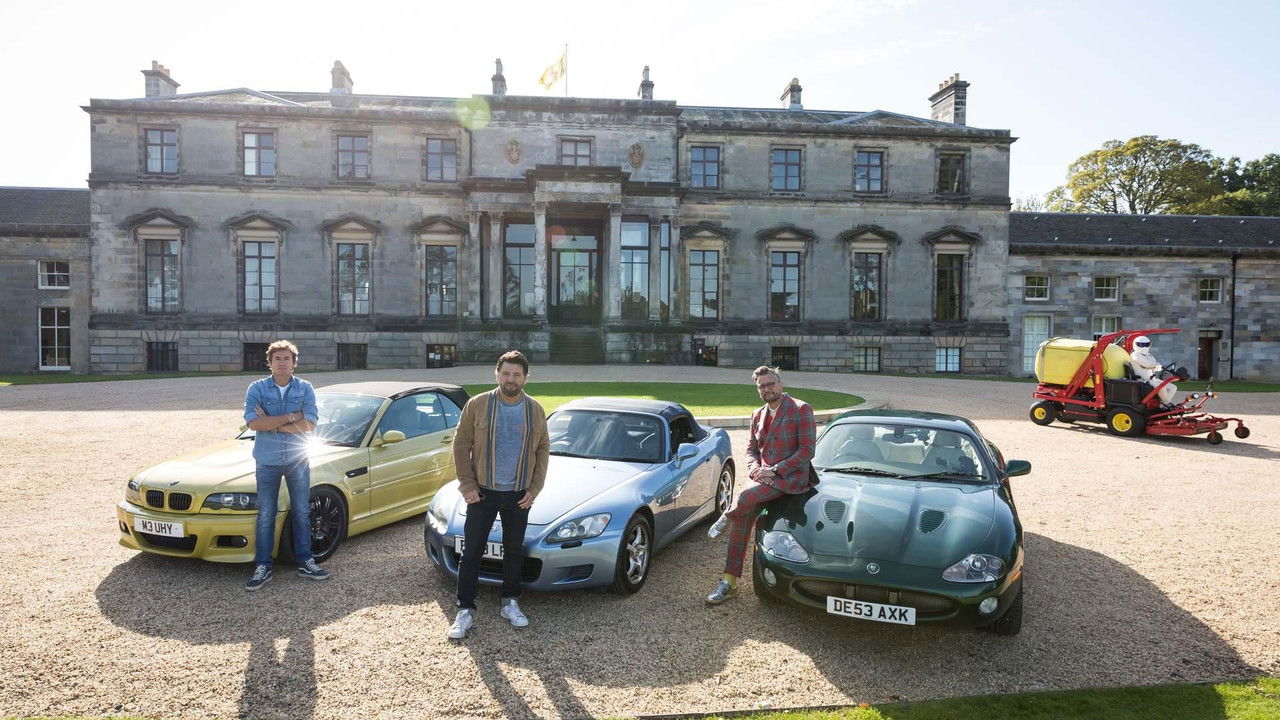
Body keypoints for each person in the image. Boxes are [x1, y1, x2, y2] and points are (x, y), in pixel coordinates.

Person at [447, 350, 550, 639]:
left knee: (514, 551)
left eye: (516, 374)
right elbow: (460, 445)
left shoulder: (535, 409)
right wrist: (467, 486)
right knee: (472, 552)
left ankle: (510, 602)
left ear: (525, 378)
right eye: (505, 373)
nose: (510, 379)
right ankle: (465, 610)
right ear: (497, 374)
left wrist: (534, 489)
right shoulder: (477, 404)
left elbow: (543, 449)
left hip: (519, 494)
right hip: (482, 492)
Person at [705, 366, 817, 605]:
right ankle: (729, 583)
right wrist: (756, 469)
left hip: (791, 478)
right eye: (761, 386)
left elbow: (807, 450)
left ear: (780, 384)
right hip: (762, 477)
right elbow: (750, 450)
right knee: (743, 518)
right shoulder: (757, 414)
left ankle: (726, 516)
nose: (767, 389)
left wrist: (775, 470)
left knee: (743, 499)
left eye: (770, 384)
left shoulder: (801, 409)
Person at [242, 340, 327, 591]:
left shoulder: (305, 388)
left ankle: (305, 561)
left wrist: (272, 423)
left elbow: (310, 423)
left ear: (294, 363)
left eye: (286, 359)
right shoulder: (256, 388)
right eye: (277, 359)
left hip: (297, 459)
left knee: (301, 511)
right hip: (267, 460)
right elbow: (253, 423)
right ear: (269, 363)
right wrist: (291, 417)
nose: (282, 363)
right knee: (266, 514)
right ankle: (263, 565)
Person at [1129, 335, 1178, 409]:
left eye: (1146, 345)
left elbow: (1156, 365)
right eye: (1141, 345)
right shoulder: (1135, 355)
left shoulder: (1148, 355)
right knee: (1161, 387)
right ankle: (1166, 403)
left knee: (1173, 387)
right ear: (1135, 344)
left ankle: (1163, 404)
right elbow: (1148, 364)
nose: (1144, 347)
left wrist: (1153, 366)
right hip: (1142, 380)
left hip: (1152, 379)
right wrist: (1153, 365)